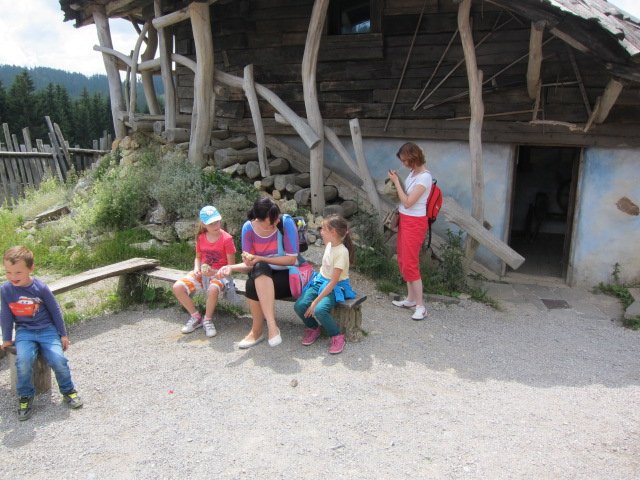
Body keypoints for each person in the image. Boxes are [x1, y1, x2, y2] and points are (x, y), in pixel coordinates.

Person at [0, 246, 83, 421]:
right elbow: (6, 314)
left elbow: (55, 310)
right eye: (8, 272)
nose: (13, 277)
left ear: (31, 268)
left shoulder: (40, 288)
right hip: (24, 331)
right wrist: (6, 338)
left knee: (58, 359)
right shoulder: (6, 290)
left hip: (47, 330)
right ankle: (25, 396)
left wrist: (63, 334)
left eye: (18, 272)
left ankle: (68, 391)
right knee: (23, 361)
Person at [217, 197, 299, 348]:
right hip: (262, 276)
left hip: (287, 276)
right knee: (256, 275)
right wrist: (231, 268)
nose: (277, 222)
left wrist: (261, 258)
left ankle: (259, 330)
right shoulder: (248, 228)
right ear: (258, 219)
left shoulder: (285, 223)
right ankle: (270, 328)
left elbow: (292, 260)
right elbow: (249, 265)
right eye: (272, 221)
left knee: (253, 283)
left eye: (277, 218)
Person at [293, 214, 356, 354]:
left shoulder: (342, 252)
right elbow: (325, 270)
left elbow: (333, 282)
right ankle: (313, 328)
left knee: (320, 310)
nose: (320, 232)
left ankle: (337, 336)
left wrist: (315, 302)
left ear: (333, 232)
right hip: (320, 280)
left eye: (323, 229)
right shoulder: (329, 244)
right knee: (299, 306)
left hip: (335, 286)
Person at [173, 205, 237, 338]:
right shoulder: (201, 237)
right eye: (211, 223)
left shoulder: (227, 239)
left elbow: (230, 267)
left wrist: (213, 272)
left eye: (217, 221)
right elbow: (198, 257)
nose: (216, 225)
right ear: (203, 224)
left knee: (213, 289)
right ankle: (196, 317)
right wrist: (196, 268)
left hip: (220, 274)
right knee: (177, 287)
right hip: (202, 273)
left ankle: (207, 320)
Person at [387, 142, 432, 320]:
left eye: (406, 160)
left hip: (415, 222)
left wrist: (396, 182)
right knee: (403, 260)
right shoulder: (413, 173)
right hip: (405, 220)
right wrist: (398, 181)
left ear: (414, 158)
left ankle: (421, 306)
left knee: (411, 262)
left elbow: (407, 202)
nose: (404, 164)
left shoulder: (425, 177)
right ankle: (411, 299)